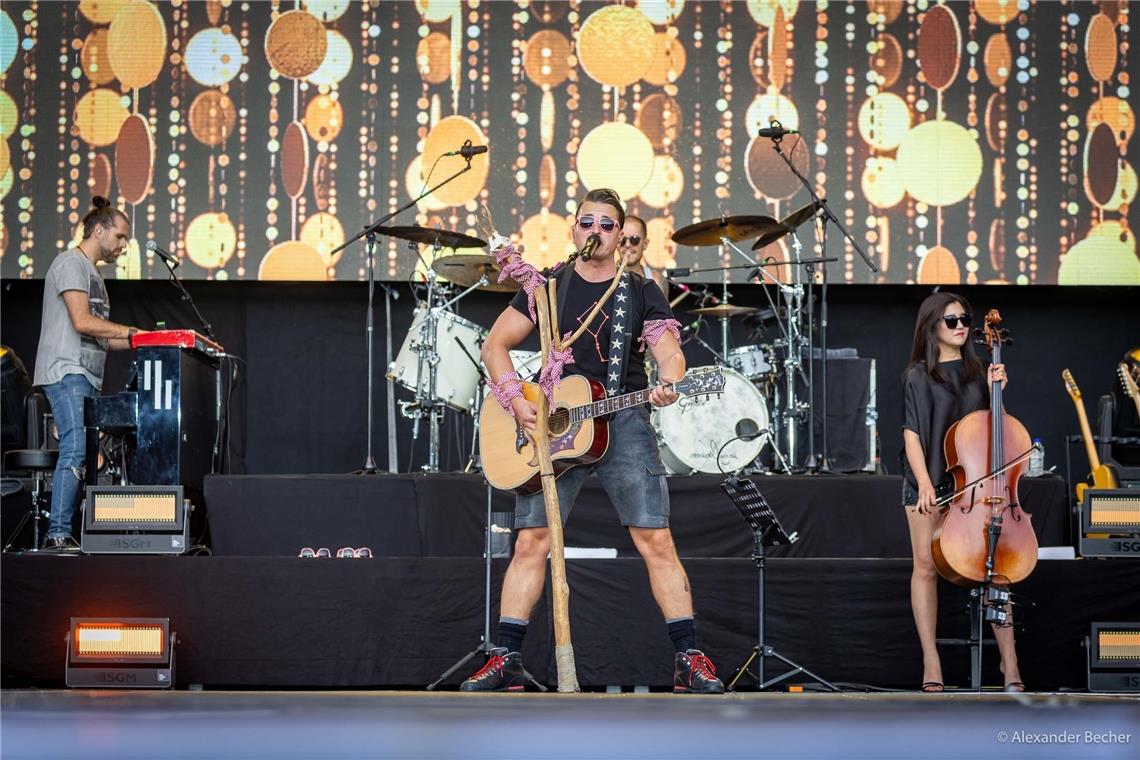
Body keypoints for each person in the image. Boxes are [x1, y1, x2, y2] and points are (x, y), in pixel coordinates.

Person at [464, 188, 724, 693]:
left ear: (621, 236)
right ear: (574, 229)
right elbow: (495, 344)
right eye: (589, 222)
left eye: (609, 225)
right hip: (551, 422)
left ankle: (688, 658)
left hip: (620, 416)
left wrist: (670, 377)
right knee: (531, 542)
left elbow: (669, 354)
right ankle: (506, 658)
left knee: (656, 539)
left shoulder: (640, 290)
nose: (597, 232)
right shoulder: (548, 286)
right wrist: (518, 404)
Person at [901, 292, 1023, 693]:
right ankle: (929, 659)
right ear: (932, 325)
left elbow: (998, 433)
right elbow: (912, 433)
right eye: (951, 321)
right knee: (924, 564)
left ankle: (1010, 663)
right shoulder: (918, 375)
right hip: (930, 479)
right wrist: (921, 482)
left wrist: (1000, 393)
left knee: (998, 566)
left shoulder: (981, 371)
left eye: (965, 320)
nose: (961, 327)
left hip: (977, 484)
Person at [33, 197, 144, 553]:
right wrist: (131, 332)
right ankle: (57, 534)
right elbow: (82, 322)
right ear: (99, 230)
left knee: (83, 450)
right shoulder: (71, 264)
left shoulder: (95, 276)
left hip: (85, 375)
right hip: (66, 371)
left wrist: (144, 343)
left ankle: (67, 532)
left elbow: (102, 339)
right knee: (76, 448)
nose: (124, 246)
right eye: (121, 237)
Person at [618, 214, 667, 294]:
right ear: (616, 243)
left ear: (645, 244)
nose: (627, 245)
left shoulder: (656, 280)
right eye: (622, 240)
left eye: (634, 240)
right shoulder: (604, 278)